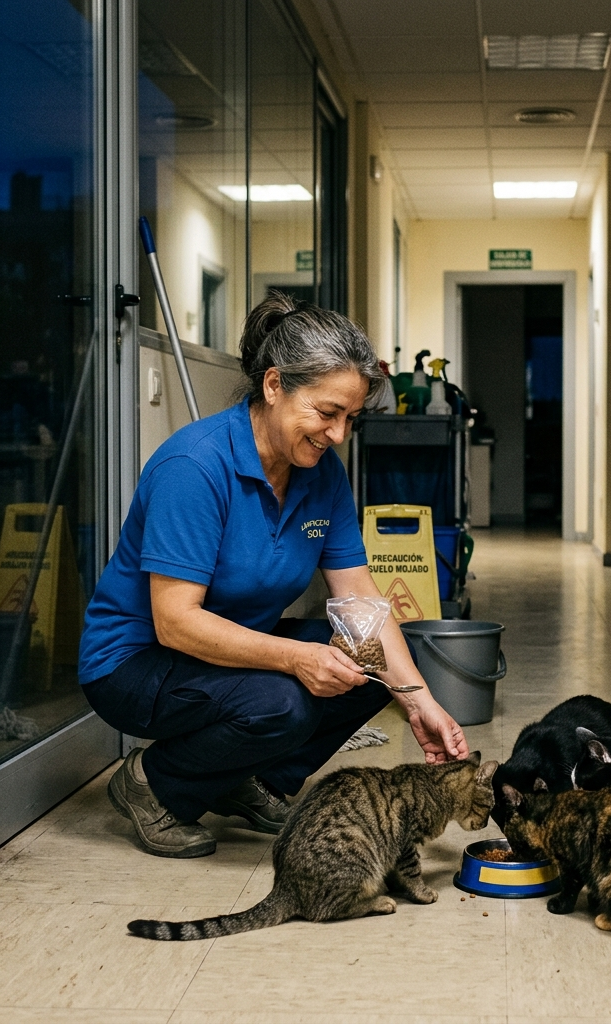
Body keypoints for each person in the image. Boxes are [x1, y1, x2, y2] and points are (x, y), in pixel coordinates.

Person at [77, 293, 469, 858]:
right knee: (284, 702)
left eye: (350, 418)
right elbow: (175, 623)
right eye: (327, 412)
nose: (338, 434)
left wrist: (417, 701)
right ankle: (154, 784)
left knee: (373, 659)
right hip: (135, 662)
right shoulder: (194, 467)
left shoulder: (321, 473)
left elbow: (359, 600)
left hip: (228, 647)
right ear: (273, 385)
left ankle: (244, 777)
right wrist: (296, 658)